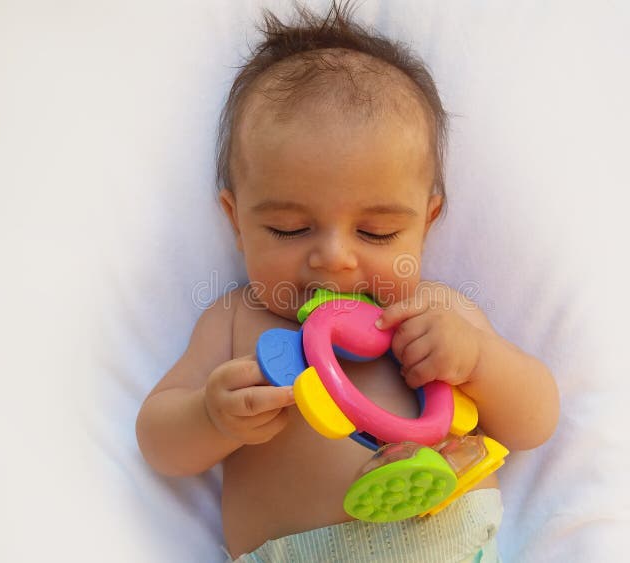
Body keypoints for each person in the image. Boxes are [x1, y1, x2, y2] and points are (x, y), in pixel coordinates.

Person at [136, 3, 559, 561]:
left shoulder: (439, 313)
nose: (334, 259)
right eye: (289, 228)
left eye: (377, 232)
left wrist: (478, 361)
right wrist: (211, 417)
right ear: (236, 220)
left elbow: (537, 420)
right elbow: (157, 442)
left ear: (426, 222)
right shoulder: (236, 321)